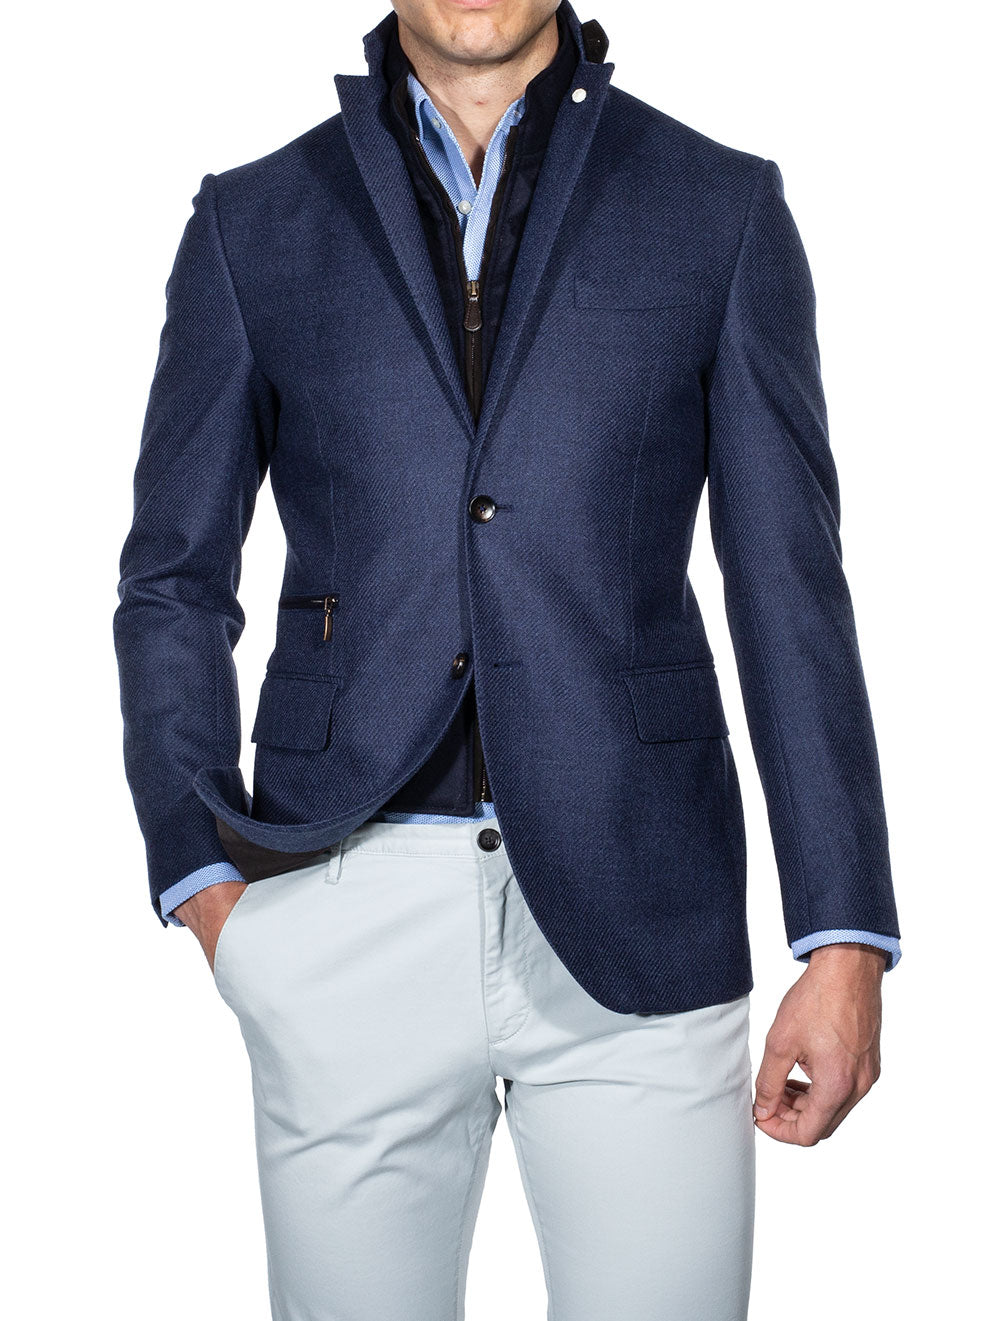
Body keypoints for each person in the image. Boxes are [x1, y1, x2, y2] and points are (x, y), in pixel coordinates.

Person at [113, 2, 902, 1316]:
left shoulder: (719, 206)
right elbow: (172, 579)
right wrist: (204, 879)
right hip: (336, 908)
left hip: (645, 907)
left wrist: (844, 934)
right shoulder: (253, 220)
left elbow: (789, 586)